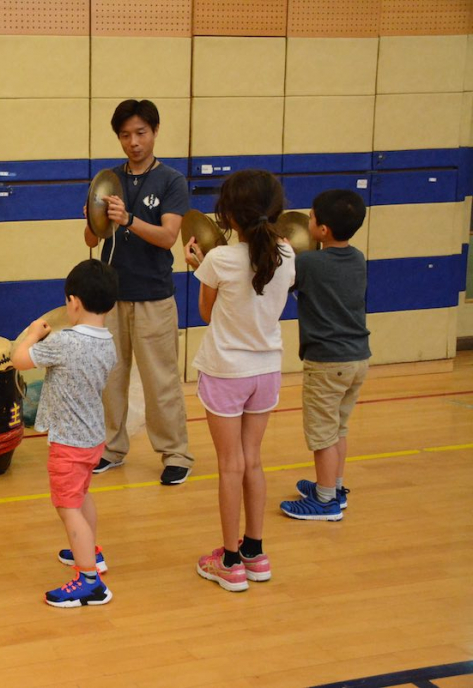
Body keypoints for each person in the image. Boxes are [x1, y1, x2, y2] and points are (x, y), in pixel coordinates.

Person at [184, 169, 295, 592]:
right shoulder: (287, 254)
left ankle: (229, 562)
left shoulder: (219, 260)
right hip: (266, 371)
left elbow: (208, 314)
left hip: (227, 371)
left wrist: (199, 267)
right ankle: (255, 552)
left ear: (228, 215)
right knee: (253, 460)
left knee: (229, 466)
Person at [85, 99, 195, 484]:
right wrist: (93, 217)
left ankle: (175, 453)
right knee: (110, 378)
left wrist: (129, 219)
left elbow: (167, 237)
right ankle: (112, 448)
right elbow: (91, 237)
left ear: (155, 131)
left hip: (153, 296)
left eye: (140, 133)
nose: (133, 142)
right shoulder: (109, 180)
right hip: (111, 298)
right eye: (125, 135)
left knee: (159, 380)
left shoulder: (171, 181)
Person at [11, 259, 118, 607]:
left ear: (73, 302)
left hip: (69, 443)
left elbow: (20, 360)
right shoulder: (108, 342)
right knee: (83, 495)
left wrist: (31, 335)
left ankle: (90, 580)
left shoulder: (66, 342)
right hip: (92, 438)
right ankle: (91, 553)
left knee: (67, 506)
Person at [279, 190, 370, 521]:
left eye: (313, 217)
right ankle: (334, 486)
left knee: (321, 435)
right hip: (358, 359)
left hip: (327, 362)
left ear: (323, 230)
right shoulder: (358, 257)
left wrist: (285, 253)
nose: (309, 221)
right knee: (338, 429)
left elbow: (280, 282)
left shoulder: (308, 263)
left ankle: (326, 500)